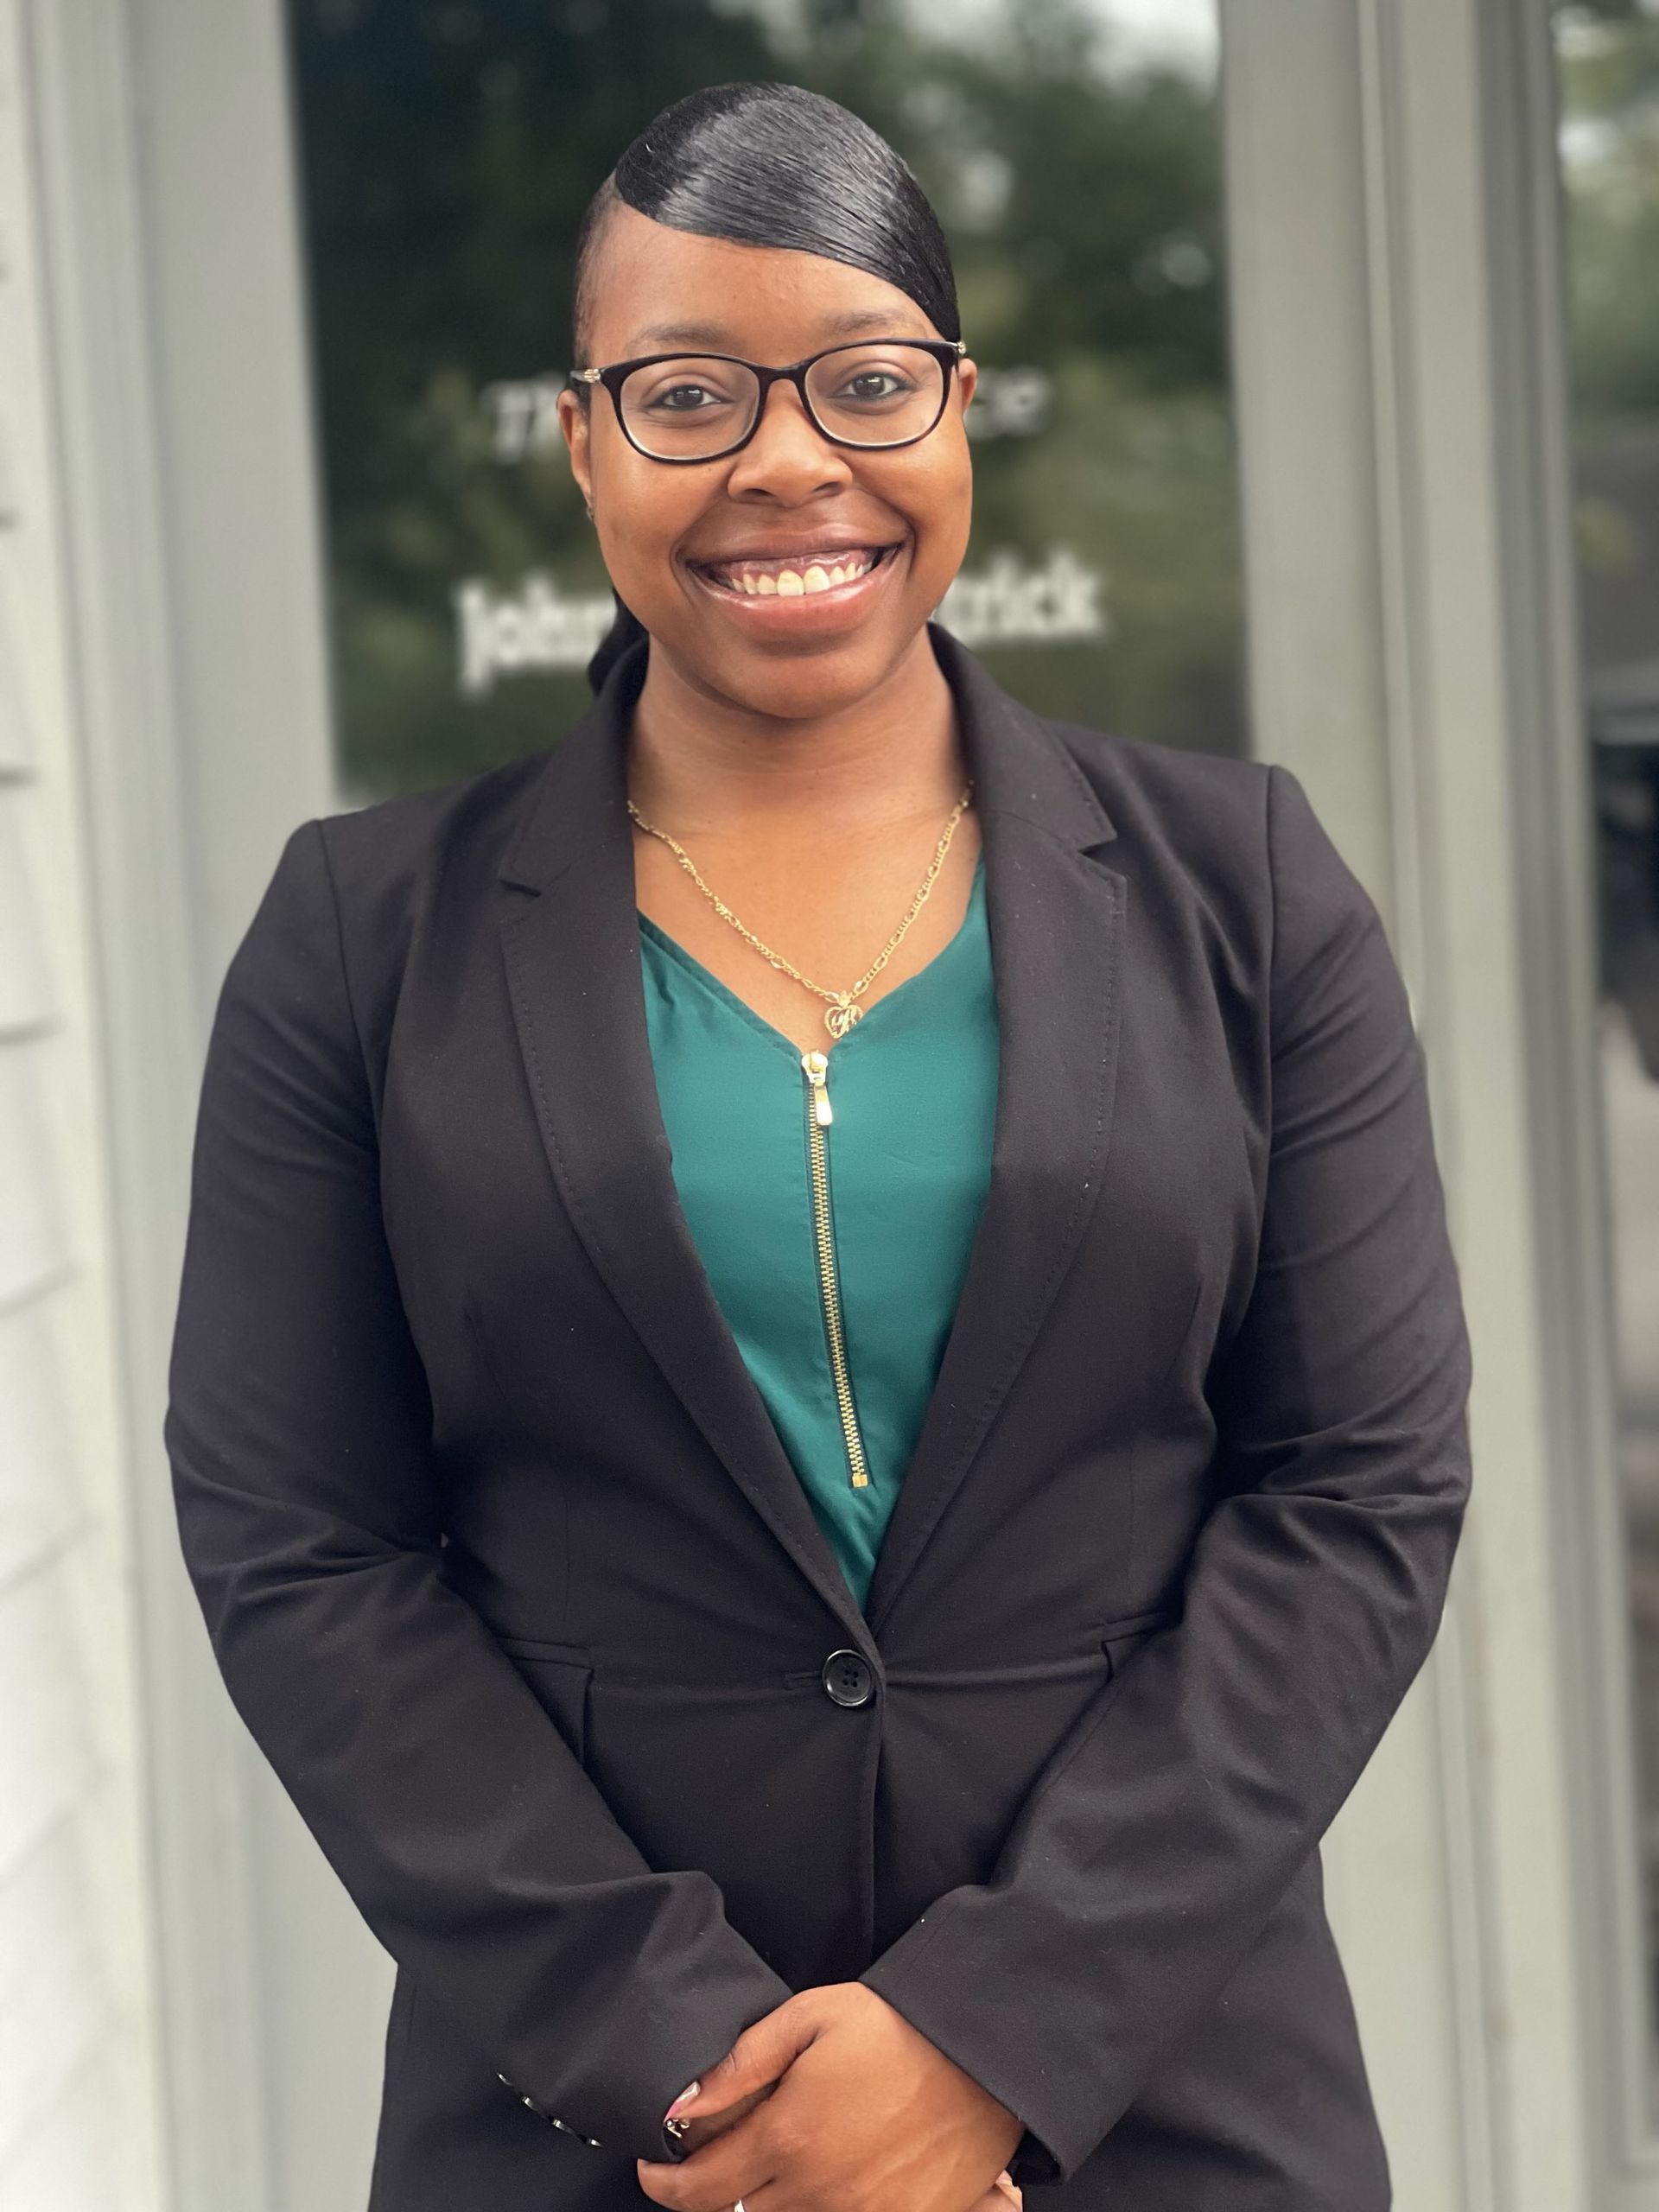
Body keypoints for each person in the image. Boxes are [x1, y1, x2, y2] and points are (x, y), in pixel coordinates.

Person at [163, 78, 1473, 2212]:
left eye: (867, 381)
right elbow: (305, 1549)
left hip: (1162, 2107)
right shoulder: (361, 938)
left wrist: (997, 2030)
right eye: (687, 392)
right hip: (600, 2137)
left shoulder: (1243, 885)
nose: (789, 460)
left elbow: (1357, 1487)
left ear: (960, 412)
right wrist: (691, 2062)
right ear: (582, 438)